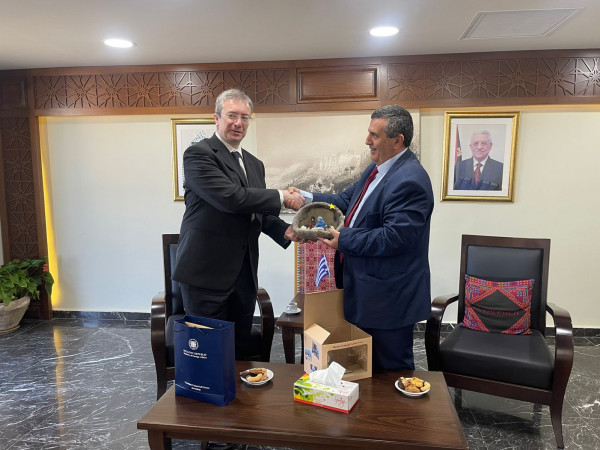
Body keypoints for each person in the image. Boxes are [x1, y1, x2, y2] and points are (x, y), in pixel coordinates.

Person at [289, 105, 434, 371]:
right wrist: (305, 198)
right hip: (366, 293)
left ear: (398, 140)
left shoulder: (410, 180)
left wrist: (343, 239)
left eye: (374, 135)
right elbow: (345, 200)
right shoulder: (376, 169)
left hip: (388, 300)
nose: (367, 141)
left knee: (390, 372)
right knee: (364, 368)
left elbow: (395, 237)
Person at [172, 88, 304, 360]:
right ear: (216, 118)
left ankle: (238, 390)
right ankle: (208, 391)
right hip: (205, 276)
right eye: (232, 115)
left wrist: (286, 230)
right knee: (207, 354)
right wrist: (282, 196)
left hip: (243, 276)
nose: (238, 123)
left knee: (239, 351)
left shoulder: (254, 164)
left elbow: (257, 211)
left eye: (245, 117)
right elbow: (231, 198)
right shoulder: (198, 154)